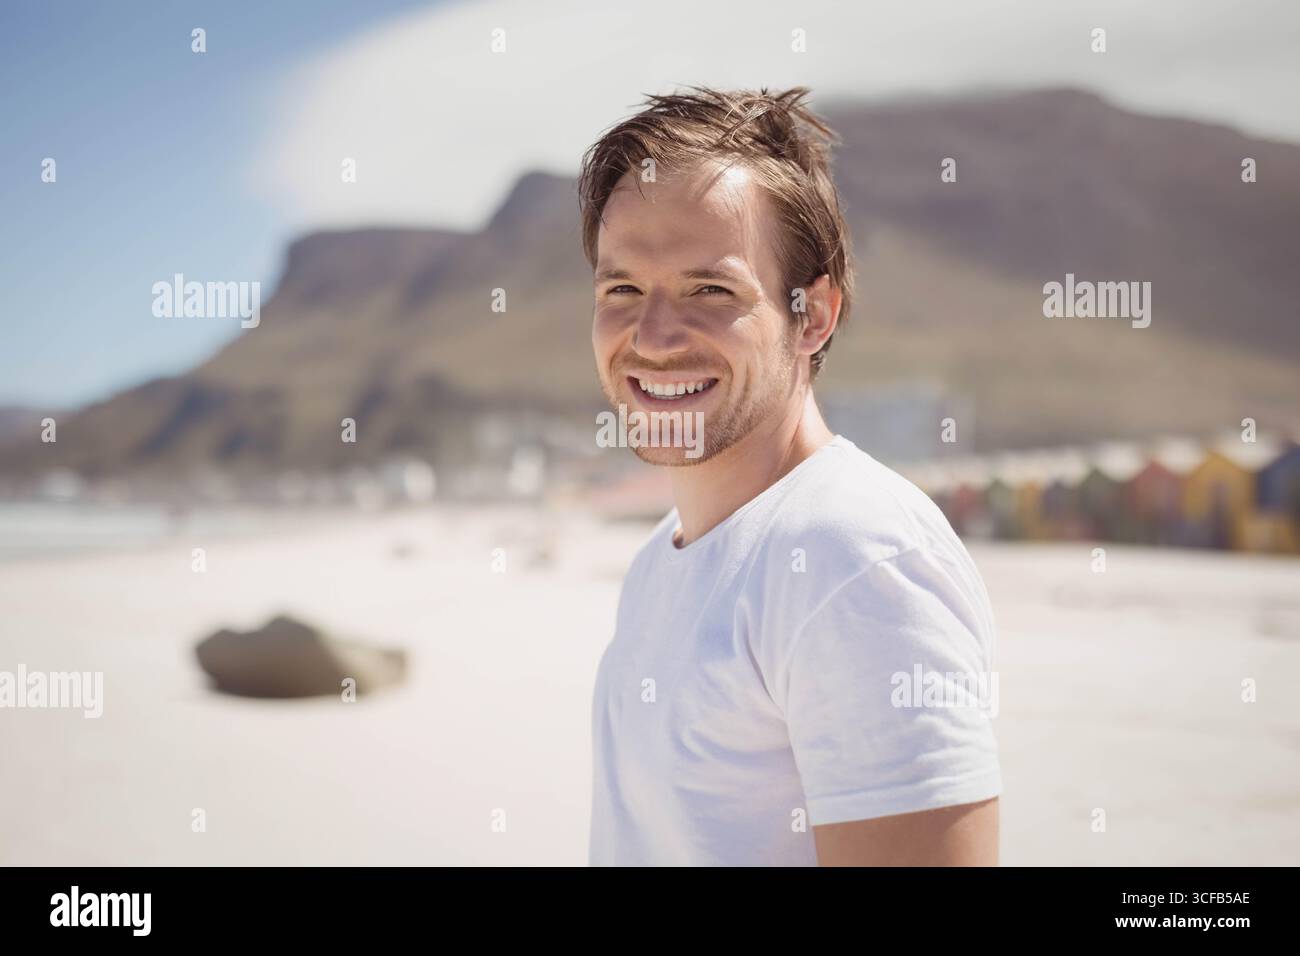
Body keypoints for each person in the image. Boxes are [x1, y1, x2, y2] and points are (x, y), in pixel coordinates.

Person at [581, 86, 1001, 866]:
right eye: (623, 289)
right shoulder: (660, 560)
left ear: (812, 316)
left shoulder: (854, 558)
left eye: (712, 289)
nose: (654, 335)